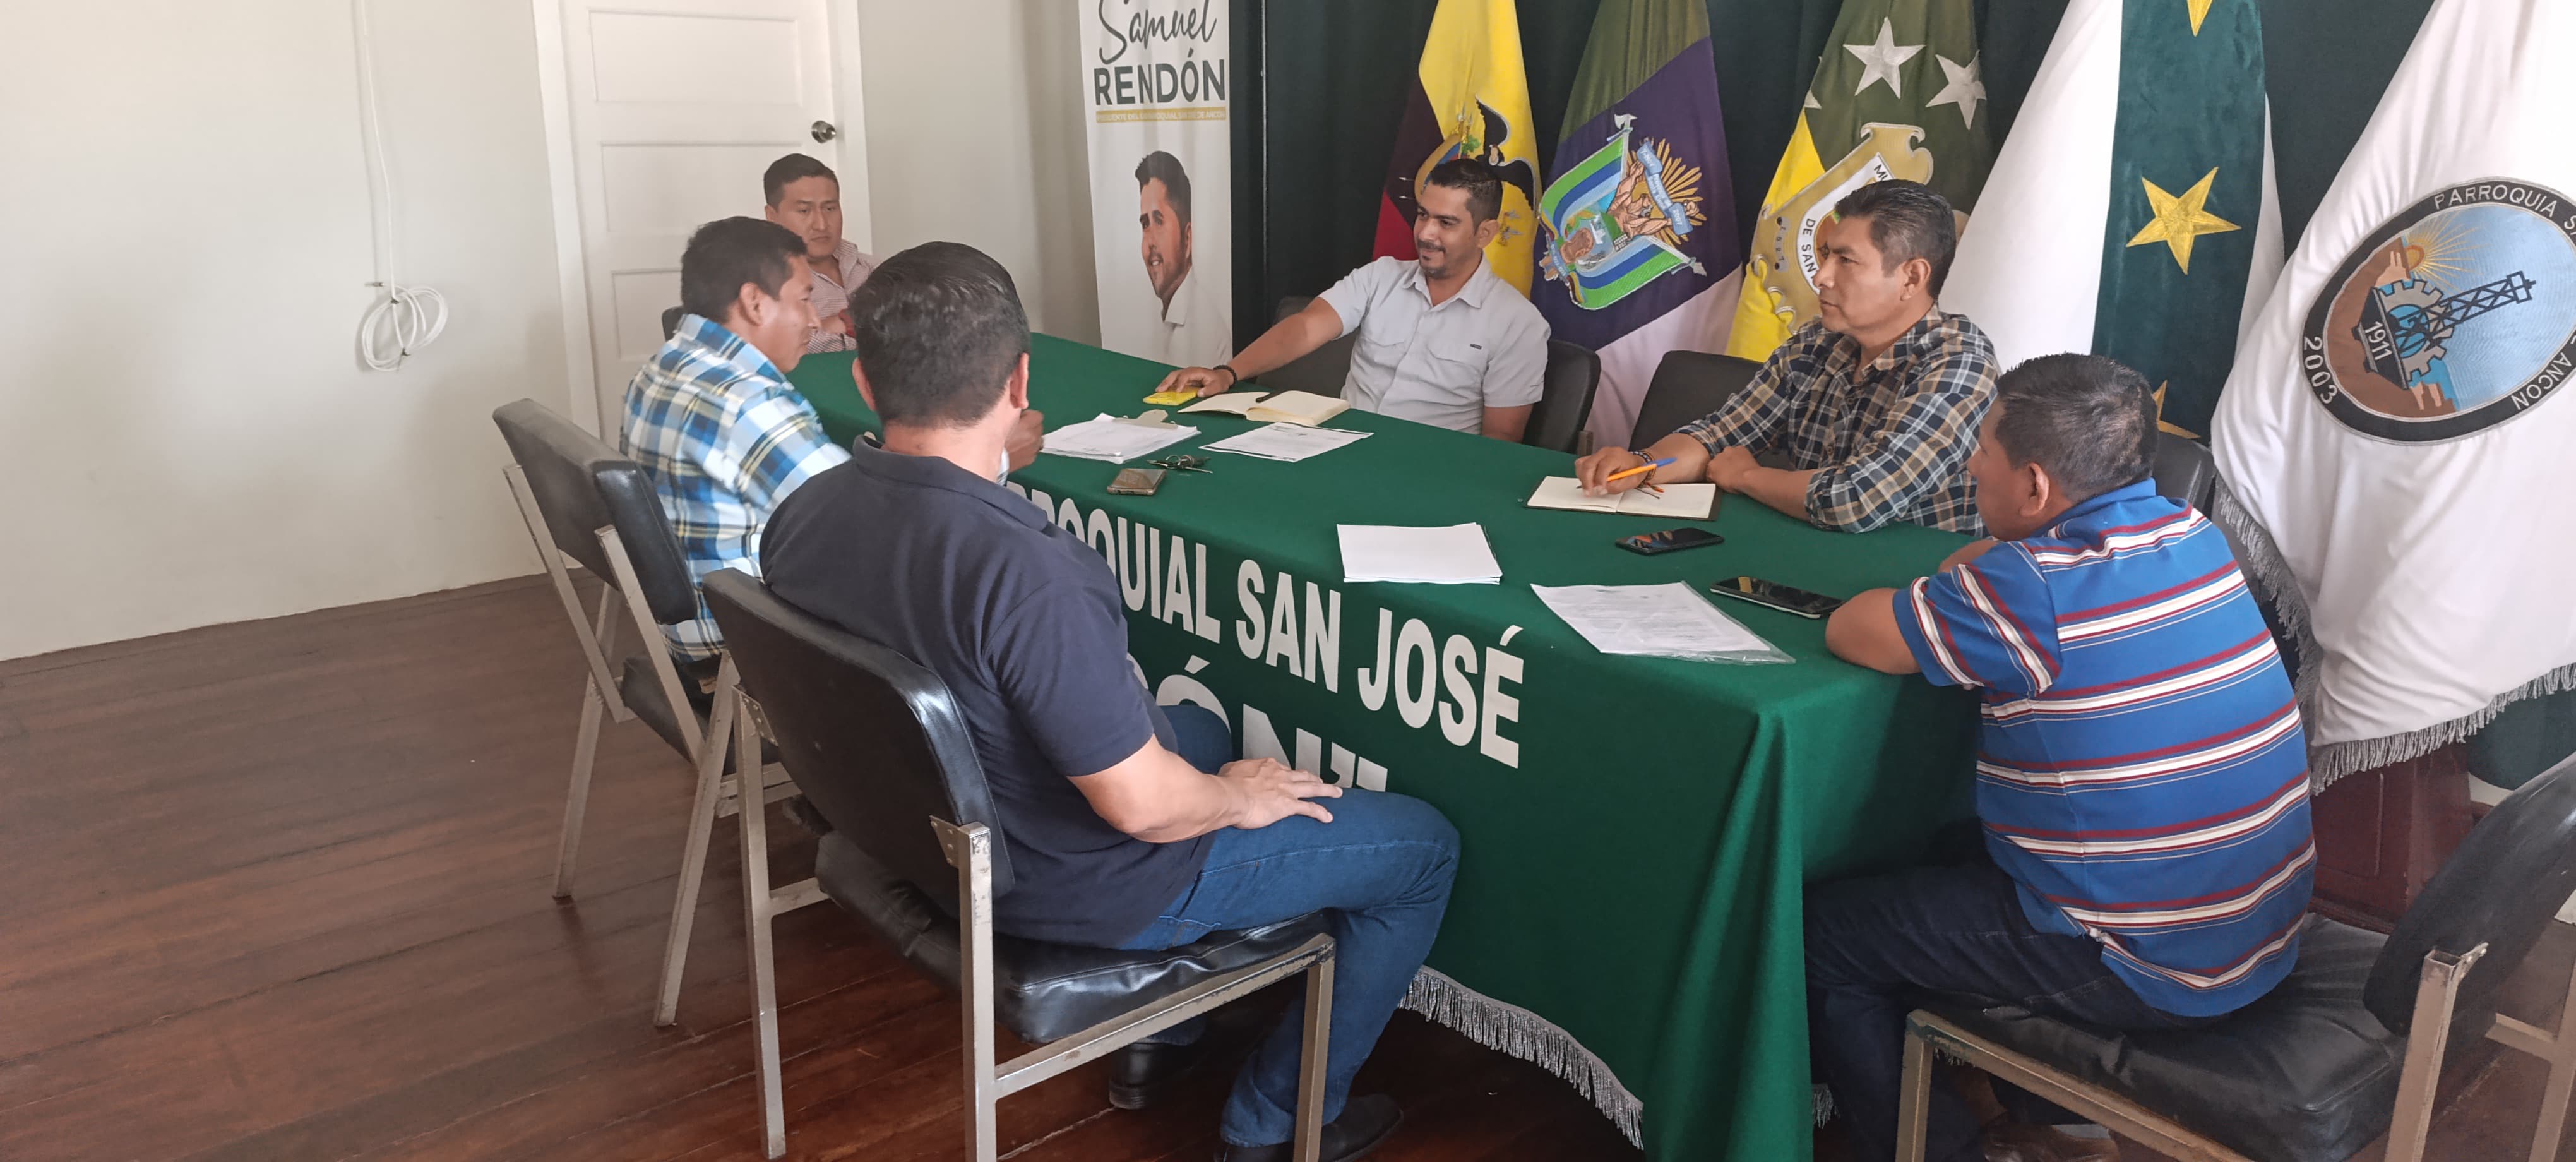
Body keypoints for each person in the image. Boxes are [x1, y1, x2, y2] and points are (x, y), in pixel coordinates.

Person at [761, 241, 1462, 1162]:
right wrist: (1235, 797)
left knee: (1200, 727)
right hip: (1071, 881)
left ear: (862, 378)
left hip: (916, 838)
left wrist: (1212, 778)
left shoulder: (801, 516)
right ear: (1020, 381)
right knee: (1423, 849)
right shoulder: (1031, 575)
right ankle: (1275, 1121)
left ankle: (1160, 1036)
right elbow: (1145, 808)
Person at [1810, 354, 2315, 1162]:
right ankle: (2055, 1123)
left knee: (1825, 936)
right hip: (2253, 926)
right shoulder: (2196, 534)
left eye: (1983, 451)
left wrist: (1974, 566)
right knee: (1936, 853)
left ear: (2036, 486)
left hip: (2149, 965)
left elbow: (1853, 629)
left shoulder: (2031, 588)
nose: (1971, 466)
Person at [1573, 179, 1997, 534]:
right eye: (1827, 254)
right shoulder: (1819, 341)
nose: (1821, 276)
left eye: (1846, 260)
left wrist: (1746, 476)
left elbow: (1856, 501)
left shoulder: (1961, 362)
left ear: (1912, 277)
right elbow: (1719, 435)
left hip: (1914, 579)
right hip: (1813, 549)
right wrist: (1643, 465)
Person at [1156, 157, 1547, 441]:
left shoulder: (1517, 323)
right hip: (1337, 446)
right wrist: (1228, 373)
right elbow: (1307, 327)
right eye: (1423, 215)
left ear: (1485, 233)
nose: (1426, 233)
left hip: (1429, 470)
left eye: (1446, 223)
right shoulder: (1381, 276)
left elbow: (1500, 442)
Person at [621, 217, 850, 665]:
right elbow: (860, 522)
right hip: (737, 646)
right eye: (805, 299)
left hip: (681, 621)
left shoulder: (664, 363)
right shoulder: (749, 405)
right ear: (754, 302)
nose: (813, 320)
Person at [761, 153, 876, 354]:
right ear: (772, 216)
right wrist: (853, 324)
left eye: (830, 208)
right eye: (804, 211)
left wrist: (831, 327)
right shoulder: (762, 283)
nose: (821, 225)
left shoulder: (874, 269)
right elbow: (768, 346)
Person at [1136, 150, 1231, 368]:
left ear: (1187, 238)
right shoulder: (1167, 317)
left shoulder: (1203, 329)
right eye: (1145, 225)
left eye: (1159, 221)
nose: (1150, 241)